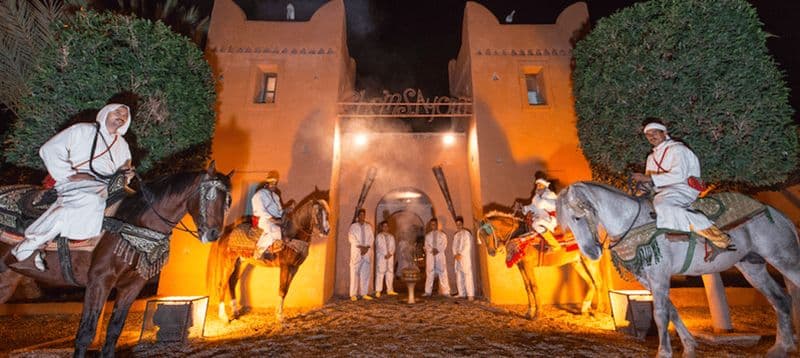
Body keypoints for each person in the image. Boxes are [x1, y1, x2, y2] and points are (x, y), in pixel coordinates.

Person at [11, 104, 134, 271]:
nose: (121, 116)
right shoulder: (83, 130)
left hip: (107, 186)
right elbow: (49, 149)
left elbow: (124, 171)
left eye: (125, 115)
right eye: (117, 112)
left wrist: (126, 175)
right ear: (105, 113)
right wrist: (68, 173)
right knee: (89, 199)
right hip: (76, 183)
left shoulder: (123, 145)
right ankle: (31, 243)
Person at [631, 119, 735, 250]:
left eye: (655, 133)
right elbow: (649, 182)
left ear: (664, 133)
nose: (652, 137)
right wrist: (641, 188)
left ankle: (717, 237)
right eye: (648, 135)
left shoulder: (678, 149)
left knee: (663, 203)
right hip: (661, 191)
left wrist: (648, 177)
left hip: (682, 188)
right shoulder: (651, 157)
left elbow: (679, 175)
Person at [252, 170, 285, 260]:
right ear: (267, 183)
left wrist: (285, 211)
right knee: (273, 231)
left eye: (275, 183)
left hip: (277, 220)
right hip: (264, 220)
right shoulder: (259, 195)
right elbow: (259, 210)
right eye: (272, 183)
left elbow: (280, 210)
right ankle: (259, 250)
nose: (274, 185)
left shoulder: (276, 196)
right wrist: (272, 218)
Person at [522, 178, 562, 251]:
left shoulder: (550, 195)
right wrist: (524, 209)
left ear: (545, 186)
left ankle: (554, 245)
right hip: (541, 216)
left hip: (551, 218)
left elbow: (542, 205)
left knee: (536, 224)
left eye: (540, 185)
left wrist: (540, 202)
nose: (538, 187)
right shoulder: (536, 197)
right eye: (537, 185)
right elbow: (532, 207)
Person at [348, 208, 374, 300]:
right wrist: (361, 247)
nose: (362, 217)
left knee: (365, 274)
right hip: (357, 252)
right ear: (358, 216)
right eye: (360, 215)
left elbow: (371, 239)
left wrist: (366, 247)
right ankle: (353, 294)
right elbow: (351, 239)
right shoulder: (353, 227)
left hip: (366, 253)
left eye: (364, 215)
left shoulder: (368, 227)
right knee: (354, 274)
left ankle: (364, 293)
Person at [423, 218, 451, 297]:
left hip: (439, 255)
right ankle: (428, 292)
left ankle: (446, 292)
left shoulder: (442, 235)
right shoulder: (428, 236)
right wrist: (432, 250)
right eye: (432, 224)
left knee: (443, 273)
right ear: (430, 225)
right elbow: (426, 245)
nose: (433, 226)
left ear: (437, 225)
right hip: (431, 256)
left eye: (434, 224)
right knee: (429, 273)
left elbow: (444, 244)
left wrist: (438, 250)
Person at [451, 216, 475, 300]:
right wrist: (455, 255)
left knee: (467, 275)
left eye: (460, 224)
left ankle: (470, 294)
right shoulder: (456, 235)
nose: (458, 226)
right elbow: (453, 246)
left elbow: (467, 245)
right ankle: (461, 293)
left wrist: (460, 254)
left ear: (462, 224)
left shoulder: (467, 233)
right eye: (457, 225)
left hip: (464, 258)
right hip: (457, 258)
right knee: (459, 275)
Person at [374, 221, 398, 298]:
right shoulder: (379, 236)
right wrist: (385, 254)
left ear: (388, 227)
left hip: (389, 258)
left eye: (387, 226)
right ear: (381, 227)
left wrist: (390, 254)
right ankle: (378, 291)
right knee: (380, 274)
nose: (385, 228)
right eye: (384, 226)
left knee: (390, 274)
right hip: (382, 257)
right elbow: (379, 246)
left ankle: (390, 290)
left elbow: (393, 247)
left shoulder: (391, 237)